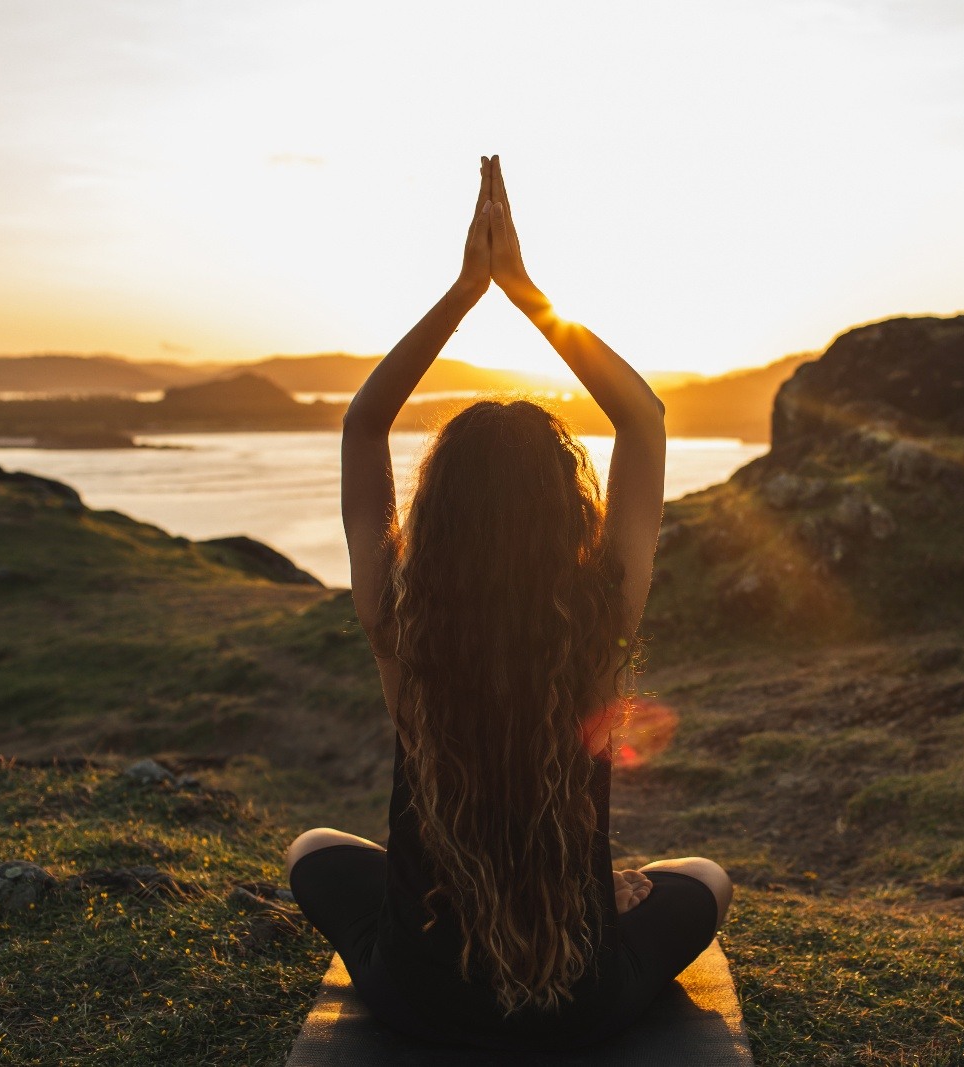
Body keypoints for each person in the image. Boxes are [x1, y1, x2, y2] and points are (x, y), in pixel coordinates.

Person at [284, 156, 733, 1052]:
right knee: (704, 876)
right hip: (580, 995)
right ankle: (598, 889)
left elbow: (364, 425)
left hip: (422, 996)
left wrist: (464, 293)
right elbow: (643, 419)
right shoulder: (597, 620)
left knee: (310, 849)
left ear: (437, 512)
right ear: (564, 509)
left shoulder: (401, 627)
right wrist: (529, 296)